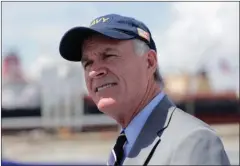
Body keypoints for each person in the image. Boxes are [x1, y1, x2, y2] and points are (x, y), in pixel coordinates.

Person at [59, 14, 230, 165]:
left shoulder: (192, 142)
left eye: (109, 55)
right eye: (87, 63)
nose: (95, 71)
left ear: (149, 62)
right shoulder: (127, 145)